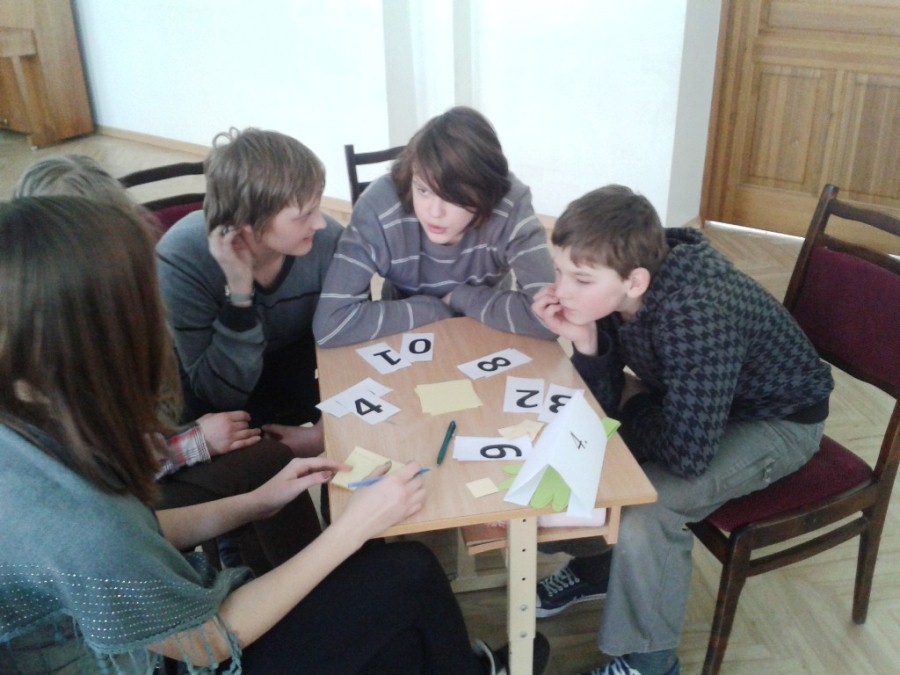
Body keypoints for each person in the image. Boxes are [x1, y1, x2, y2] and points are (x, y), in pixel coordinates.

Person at [0, 196, 551, 675]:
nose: (162, 319)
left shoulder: (38, 434)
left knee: (396, 619)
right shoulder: (75, 524)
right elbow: (208, 642)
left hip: (161, 620)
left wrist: (256, 502)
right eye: (147, 304)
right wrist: (352, 529)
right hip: (188, 653)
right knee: (410, 572)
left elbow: (133, 535)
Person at [530, 185, 834, 675]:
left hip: (779, 420)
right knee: (583, 452)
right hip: (697, 403)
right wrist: (587, 343)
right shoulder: (617, 284)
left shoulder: (697, 312)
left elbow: (688, 455)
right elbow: (607, 404)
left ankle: (651, 662)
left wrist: (632, 406)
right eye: (560, 270)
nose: (562, 291)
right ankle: (599, 570)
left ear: (635, 282)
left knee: (649, 508)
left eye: (580, 279)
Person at [13, 155, 319, 577]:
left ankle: (282, 568)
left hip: (155, 453)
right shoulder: (51, 359)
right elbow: (102, 478)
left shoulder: (113, 315)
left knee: (264, 462)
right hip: (130, 492)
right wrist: (194, 444)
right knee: (264, 462)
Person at [156, 127, 342, 455]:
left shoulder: (329, 242)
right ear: (247, 222)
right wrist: (240, 293)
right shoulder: (180, 260)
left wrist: (324, 431)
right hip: (216, 412)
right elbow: (217, 395)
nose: (320, 223)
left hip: (297, 378)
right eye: (304, 215)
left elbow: (353, 345)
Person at [313, 106, 556, 348]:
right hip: (404, 320)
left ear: (485, 191)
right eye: (423, 190)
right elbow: (331, 325)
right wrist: (434, 308)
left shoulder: (511, 206)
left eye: (453, 196)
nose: (434, 212)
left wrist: (461, 298)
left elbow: (551, 319)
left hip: (488, 317)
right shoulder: (378, 208)